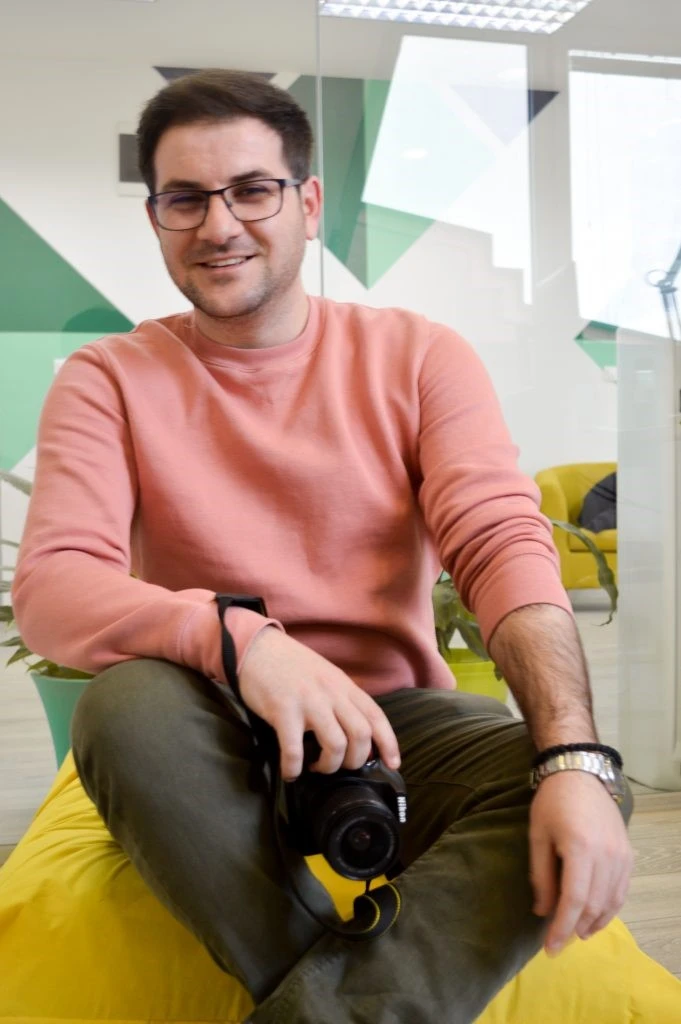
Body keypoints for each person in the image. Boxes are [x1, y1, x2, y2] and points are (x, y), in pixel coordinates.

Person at [12, 70, 633, 1024]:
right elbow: (55, 587)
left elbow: (502, 544)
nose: (219, 223)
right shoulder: (109, 377)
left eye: (251, 189)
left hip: (393, 727)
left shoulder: (419, 355)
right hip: (205, 725)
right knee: (121, 704)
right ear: (156, 219)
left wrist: (576, 761)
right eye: (186, 198)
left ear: (305, 203)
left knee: (572, 779)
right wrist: (246, 642)